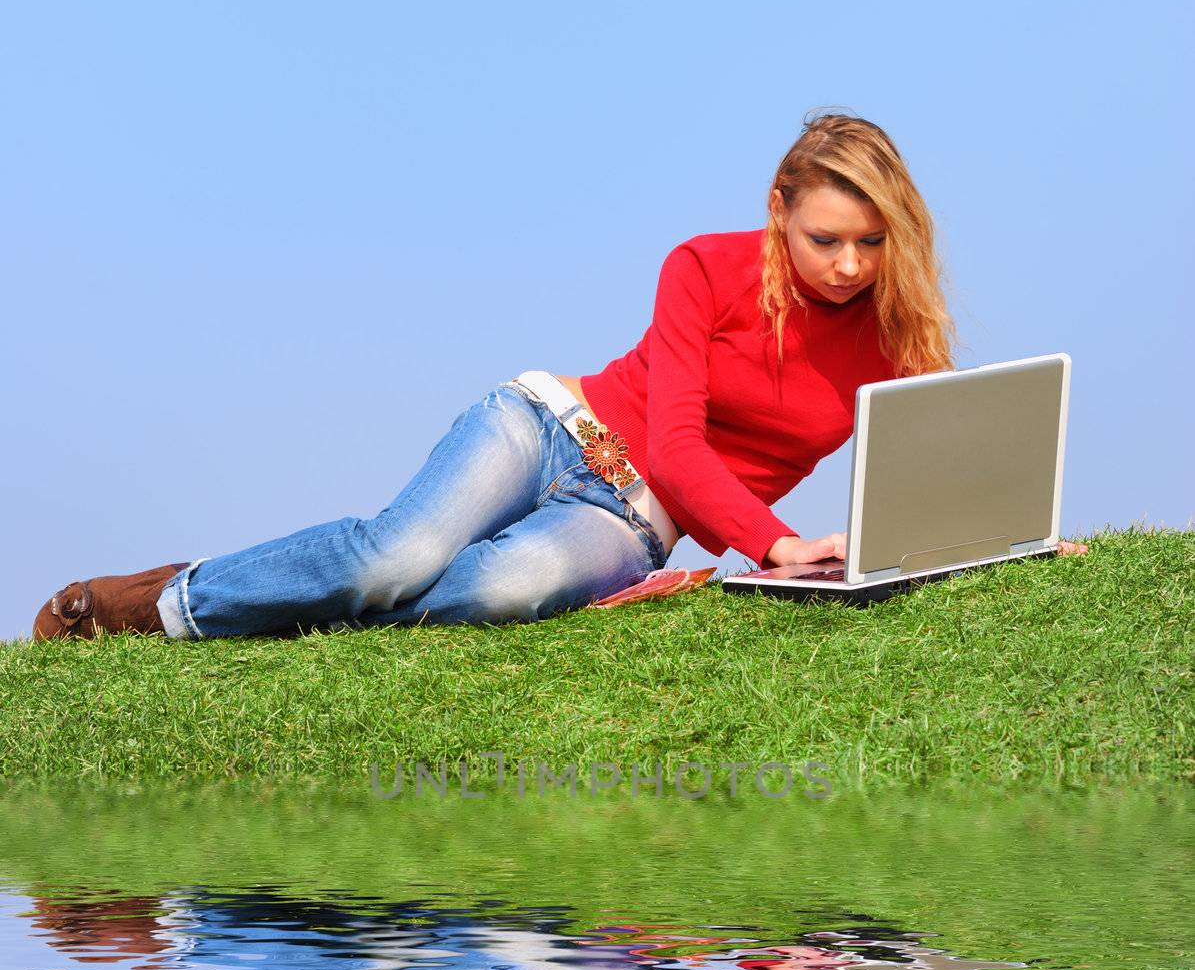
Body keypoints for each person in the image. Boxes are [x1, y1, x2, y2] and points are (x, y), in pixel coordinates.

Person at [31, 108, 1087, 641]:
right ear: (779, 213)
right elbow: (673, 441)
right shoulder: (705, 266)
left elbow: (945, 448)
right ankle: (160, 605)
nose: (849, 266)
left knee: (495, 588)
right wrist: (772, 541)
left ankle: (303, 606)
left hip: (633, 519)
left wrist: (1017, 536)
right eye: (825, 240)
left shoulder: (894, 331)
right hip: (551, 425)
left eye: (870, 242)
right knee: (395, 554)